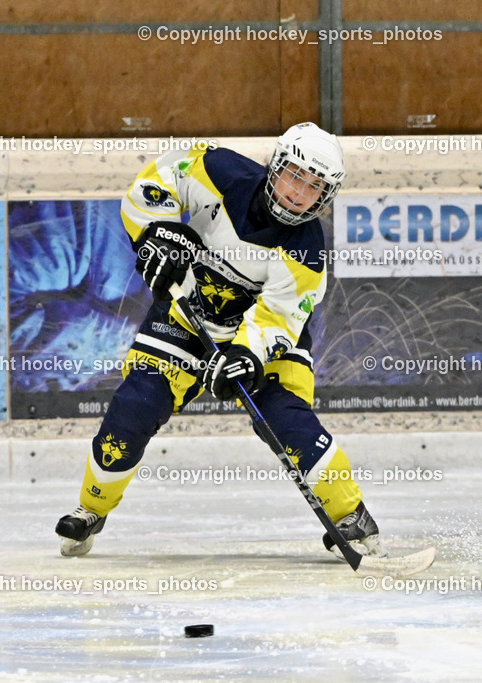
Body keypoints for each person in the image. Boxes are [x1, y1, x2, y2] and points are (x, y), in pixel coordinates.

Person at [56, 122, 383, 559]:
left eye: (313, 187)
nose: (298, 193)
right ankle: (91, 508)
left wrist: (246, 356)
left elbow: (277, 319)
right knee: (136, 404)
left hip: (261, 336)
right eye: (294, 176)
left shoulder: (306, 252)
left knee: (285, 420)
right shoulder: (218, 169)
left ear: (325, 197)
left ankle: (350, 514)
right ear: (275, 165)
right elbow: (156, 183)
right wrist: (156, 233)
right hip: (187, 315)